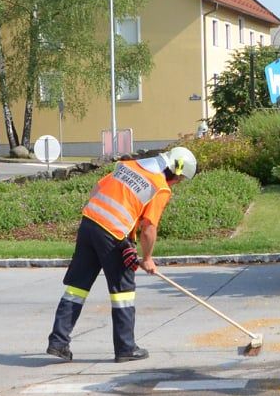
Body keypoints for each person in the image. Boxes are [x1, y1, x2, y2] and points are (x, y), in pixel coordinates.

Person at [45, 145, 198, 362]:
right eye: (179, 180)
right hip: (113, 236)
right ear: (176, 171)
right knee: (122, 293)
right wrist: (147, 258)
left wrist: (105, 225)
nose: (176, 184)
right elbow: (149, 227)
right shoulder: (159, 187)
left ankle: (58, 342)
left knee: (77, 287)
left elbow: (96, 190)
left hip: (89, 225)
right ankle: (126, 348)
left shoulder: (127, 166)